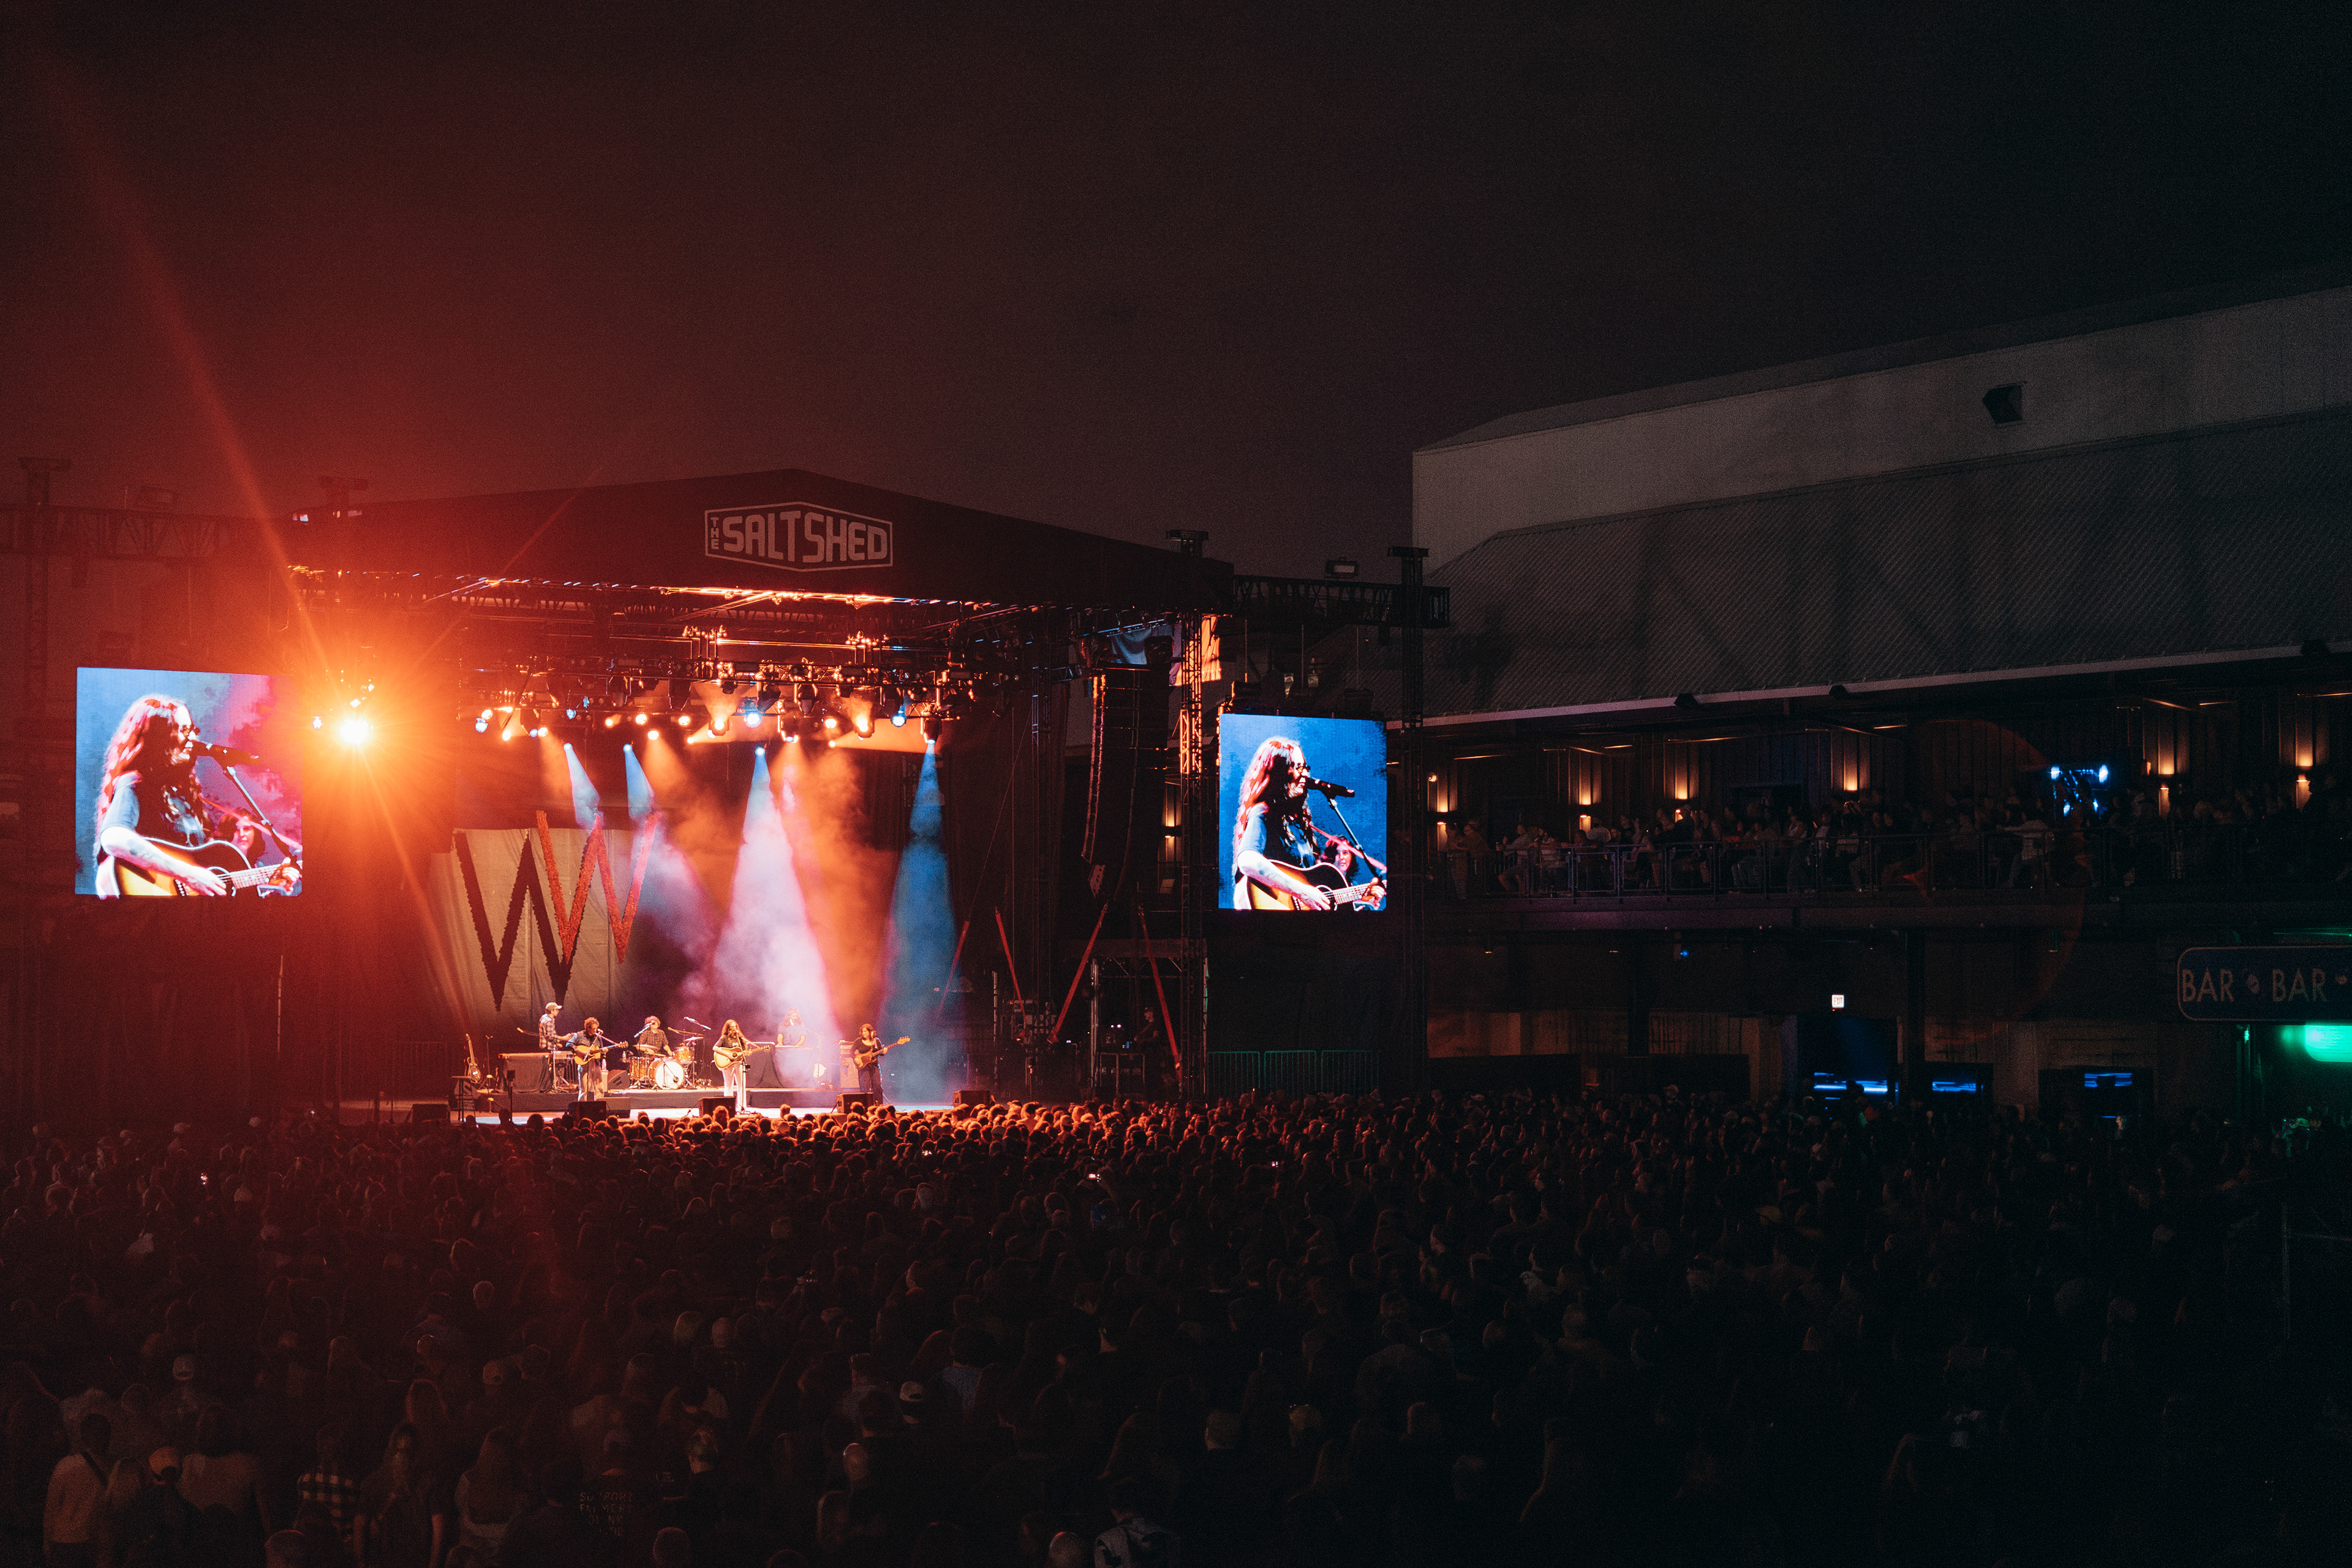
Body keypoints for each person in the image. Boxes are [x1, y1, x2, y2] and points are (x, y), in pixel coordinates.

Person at [1229, 734, 1383, 911]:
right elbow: (1248, 861)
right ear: (1279, 773)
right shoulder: (1264, 812)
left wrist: (1360, 898)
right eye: (1297, 767)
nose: (1305, 774)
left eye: (1305, 767)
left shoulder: (1298, 823)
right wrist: (1302, 892)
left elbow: (1316, 891)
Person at [89, 695, 222, 896]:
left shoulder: (182, 794)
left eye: (193, 730)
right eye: (183, 730)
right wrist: (187, 874)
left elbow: (202, 862)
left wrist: (267, 878)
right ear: (159, 736)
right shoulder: (136, 783)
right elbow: (113, 838)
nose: (193, 739)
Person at [355, 1423, 447, 1568]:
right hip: (403, 1560)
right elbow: (360, 1523)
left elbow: (360, 1524)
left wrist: (361, 1562)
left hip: (400, 1561)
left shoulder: (427, 1482)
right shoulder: (374, 1481)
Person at [42, 1411, 110, 1568]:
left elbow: (51, 1508)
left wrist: (47, 1544)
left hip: (62, 1540)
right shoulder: (110, 1468)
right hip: (91, 1542)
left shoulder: (65, 1465)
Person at [714, 1020, 755, 1115]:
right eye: (732, 1027)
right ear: (728, 1029)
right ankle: (728, 1108)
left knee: (742, 1085)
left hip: (739, 1063)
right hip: (728, 1064)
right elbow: (715, 1048)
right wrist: (728, 1055)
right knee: (729, 1084)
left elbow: (743, 1051)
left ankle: (742, 1107)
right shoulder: (724, 1038)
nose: (734, 1029)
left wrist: (747, 1053)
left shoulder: (739, 1039)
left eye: (735, 1027)